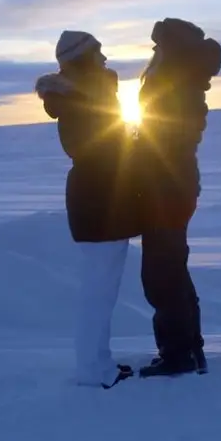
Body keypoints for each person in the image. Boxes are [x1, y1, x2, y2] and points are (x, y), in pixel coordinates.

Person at [36, 30, 140, 389]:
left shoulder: (82, 99)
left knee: (100, 290)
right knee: (98, 291)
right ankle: (92, 369)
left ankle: (97, 363)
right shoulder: (85, 101)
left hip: (97, 198)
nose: (105, 58)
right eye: (98, 52)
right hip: (100, 200)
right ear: (83, 58)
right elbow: (104, 153)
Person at [134, 17, 221, 377]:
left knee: (162, 273)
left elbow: (166, 141)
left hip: (166, 187)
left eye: (158, 45)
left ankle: (177, 354)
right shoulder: (183, 82)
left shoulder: (174, 83)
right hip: (173, 185)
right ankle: (189, 349)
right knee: (172, 268)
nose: (153, 51)